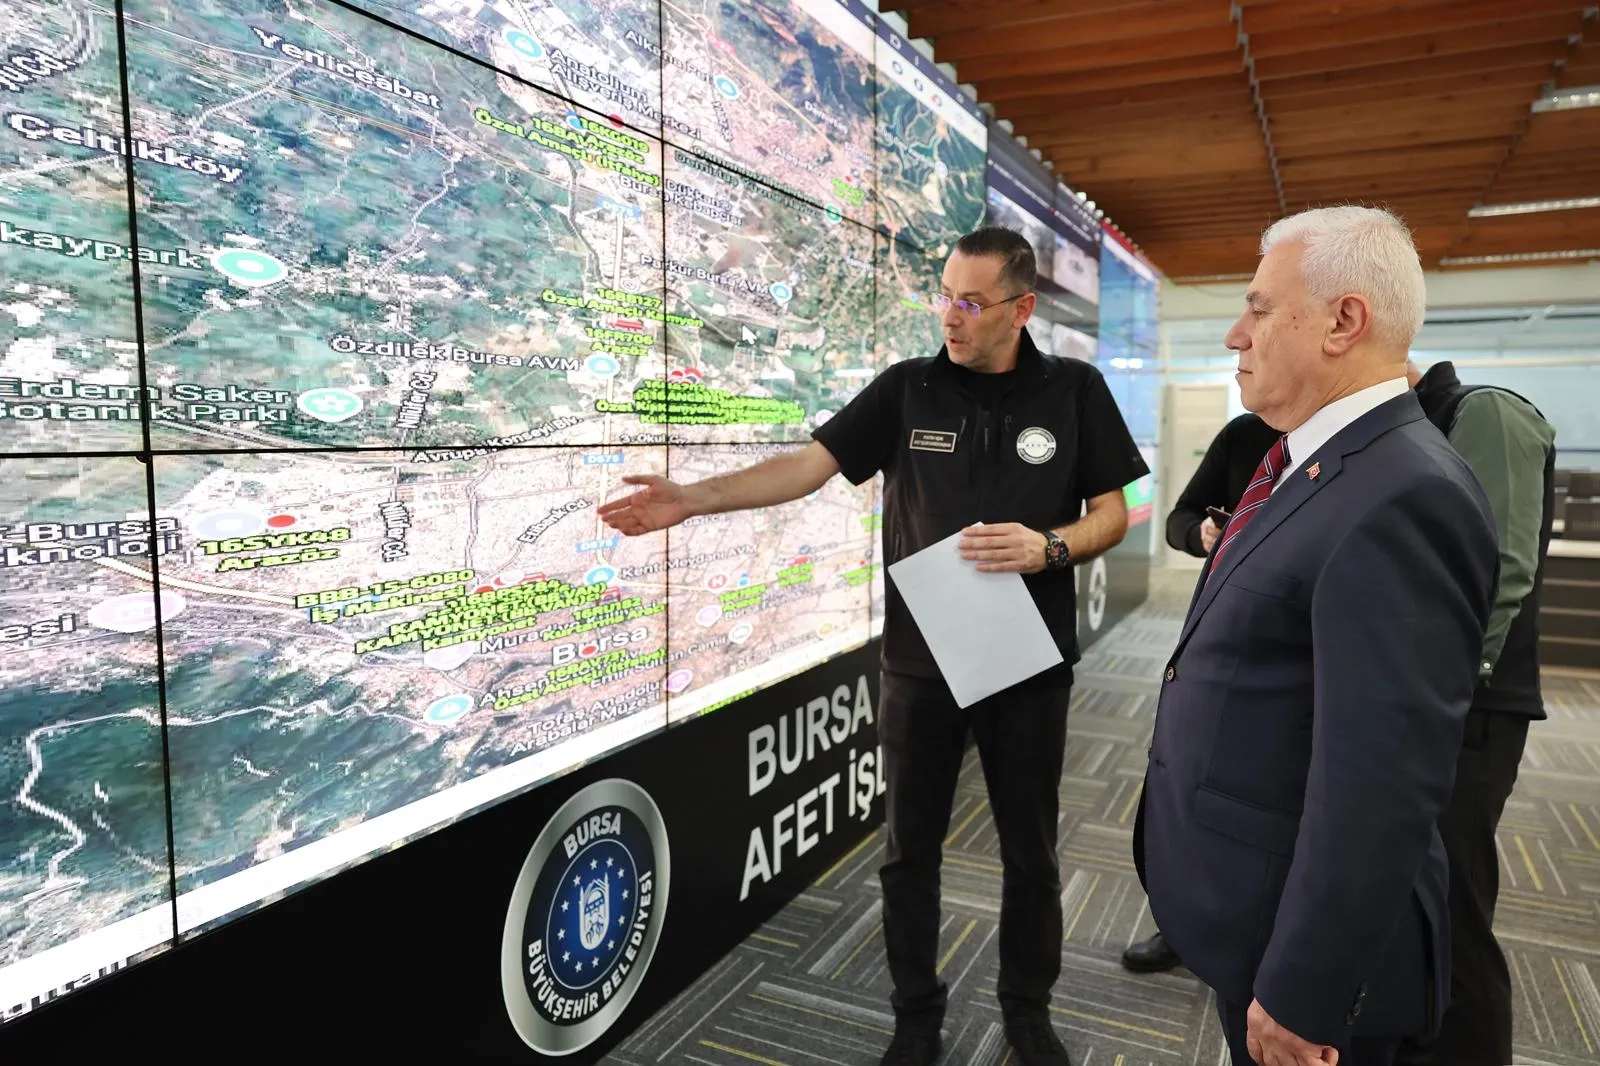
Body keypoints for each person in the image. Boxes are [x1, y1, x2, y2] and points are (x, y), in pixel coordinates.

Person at [599, 226, 1148, 1066]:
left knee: (1031, 853)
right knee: (908, 852)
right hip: (920, 665)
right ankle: (915, 1018)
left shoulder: (1074, 390)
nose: (951, 316)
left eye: (972, 303)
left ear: (1021, 309)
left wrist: (1051, 547)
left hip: (1028, 662)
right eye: (946, 297)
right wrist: (693, 499)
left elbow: (1113, 512)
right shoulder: (907, 389)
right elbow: (805, 468)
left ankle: (1027, 1011)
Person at [1132, 206, 1499, 1066]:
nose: (1236, 334)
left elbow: (1381, 782)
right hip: (1251, 902)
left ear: (1344, 322)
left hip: (1299, 958)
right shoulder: (1311, 461)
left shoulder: (1408, 492)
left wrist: (1308, 988)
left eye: (1259, 308)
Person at [1392, 359, 1556, 1066]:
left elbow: (1499, 570)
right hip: (1421, 702)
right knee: (1410, 904)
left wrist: (1431, 693)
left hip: (1467, 709)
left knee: (1453, 912)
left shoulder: (1485, 411)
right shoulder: (1413, 428)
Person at [1122, 410, 1279, 976]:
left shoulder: (1358, 442)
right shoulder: (1244, 435)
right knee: (1198, 786)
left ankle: (1276, 944)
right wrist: (1202, 535)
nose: (1242, 365)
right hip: (1224, 635)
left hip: (1306, 650)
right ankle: (1184, 926)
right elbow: (1178, 520)